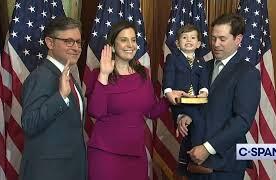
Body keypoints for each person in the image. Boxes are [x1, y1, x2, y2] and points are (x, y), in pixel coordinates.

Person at [177, 13, 261, 179]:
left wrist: (208, 148)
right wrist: (185, 115)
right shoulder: (203, 67)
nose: (216, 44)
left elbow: (242, 121)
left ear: (238, 39)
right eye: (213, 38)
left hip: (225, 166)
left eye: (222, 39)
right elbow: (199, 103)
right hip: (194, 160)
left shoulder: (248, 73)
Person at [86, 20, 169, 180]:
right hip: (105, 154)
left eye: (133, 39)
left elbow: (151, 111)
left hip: (136, 154)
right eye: (123, 40)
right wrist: (104, 75)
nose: (130, 44)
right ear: (112, 45)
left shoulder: (143, 73)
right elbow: (95, 112)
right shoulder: (98, 74)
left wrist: (170, 100)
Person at [19, 17, 87, 180]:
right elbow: (29, 123)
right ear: (50, 43)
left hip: (71, 169)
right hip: (49, 172)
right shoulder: (41, 77)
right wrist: (61, 97)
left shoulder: (68, 76)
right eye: (69, 42)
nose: (76, 47)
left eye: (78, 42)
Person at [162, 24, 209, 177]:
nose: (188, 40)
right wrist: (168, 92)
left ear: (199, 43)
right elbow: (168, 77)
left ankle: (184, 162)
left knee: (195, 126)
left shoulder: (201, 61)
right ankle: (196, 161)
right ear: (177, 43)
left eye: (193, 38)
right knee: (199, 122)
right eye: (184, 38)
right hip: (180, 102)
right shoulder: (173, 58)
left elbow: (203, 82)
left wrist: (203, 92)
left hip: (196, 101)